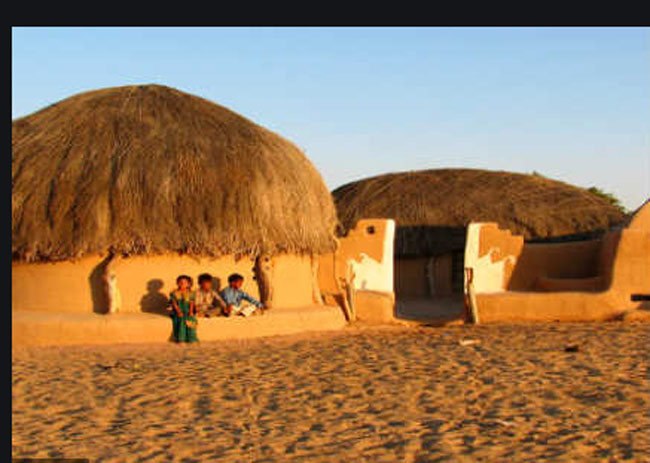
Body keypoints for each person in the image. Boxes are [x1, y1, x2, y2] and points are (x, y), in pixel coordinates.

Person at [169, 275, 199, 343]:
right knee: (181, 322)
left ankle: (191, 338)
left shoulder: (191, 293)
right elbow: (174, 304)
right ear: (177, 283)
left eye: (185, 282)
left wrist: (191, 312)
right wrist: (179, 312)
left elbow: (191, 303)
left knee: (191, 322)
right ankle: (181, 339)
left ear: (188, 284)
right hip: (178, 311)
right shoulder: (174, 293)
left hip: (187, 311)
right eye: (180, 282)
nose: (182, 284)